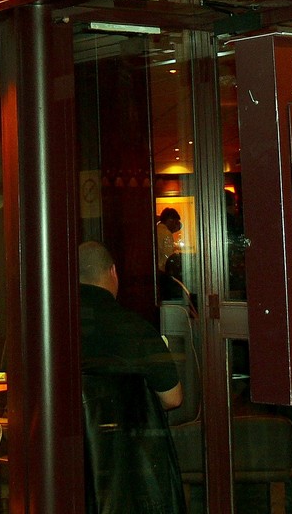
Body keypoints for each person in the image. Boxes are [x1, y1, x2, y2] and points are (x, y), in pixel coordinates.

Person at [79, 241, 186, 514]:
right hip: (130, 480)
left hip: (67, 468)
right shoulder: (135, 329)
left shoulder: (51, 328)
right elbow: (173, 398)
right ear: (113, 272)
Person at [156, 208, 182, 273]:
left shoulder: (156, 230)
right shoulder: (166, 233)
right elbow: (168, 257)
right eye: (175, 222)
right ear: (170, 220)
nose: (175, 226)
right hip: (162, 271)